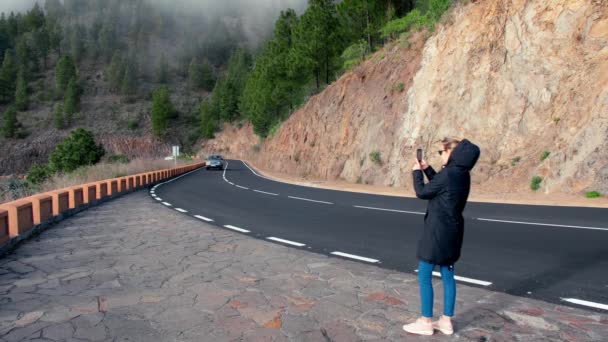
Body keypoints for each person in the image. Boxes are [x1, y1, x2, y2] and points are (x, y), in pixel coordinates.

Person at [403, 137, 480, 336]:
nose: (441, 155)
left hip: (437, 231)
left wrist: (416, 173)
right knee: (448, 275)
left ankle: (426, 321)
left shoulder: (448, 174)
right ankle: (446, 321)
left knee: (424, 274)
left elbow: (423, 192)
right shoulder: (462, 174)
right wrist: (428, 169)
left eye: (442, 152)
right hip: (453, 232)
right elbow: (441, 186)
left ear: (451, 153)